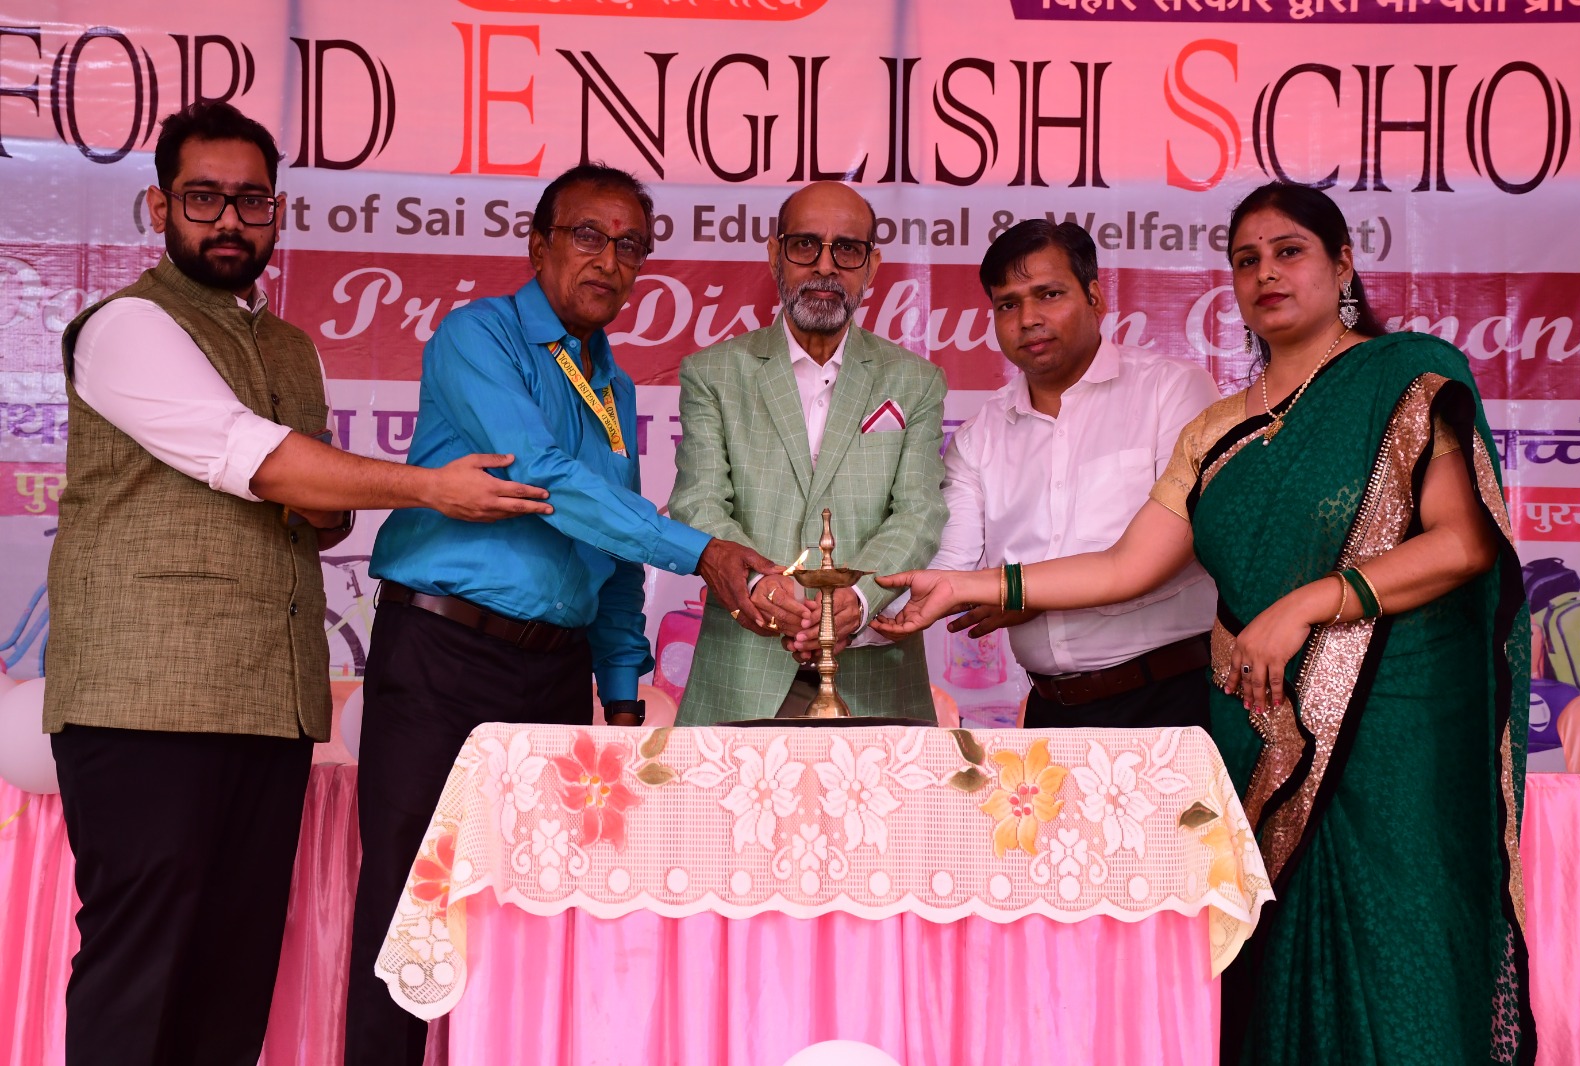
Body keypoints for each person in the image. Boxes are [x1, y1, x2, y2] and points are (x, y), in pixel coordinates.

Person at [875, 181, 1534, 1065]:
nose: (1267, 273)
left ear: (1342, 263)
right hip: (1260, 733)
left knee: (1401, 959)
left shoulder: (1403, 377)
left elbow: (1463, 543)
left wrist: (1304, 605)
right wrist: (964, 585)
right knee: (1262, 974)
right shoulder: (1217, 428)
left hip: (1393, 734)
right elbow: (1126, 565)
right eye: (1246, 259)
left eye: (1289, 251)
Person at [42, 101, 551, 1066]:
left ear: (278, 211)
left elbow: (320, 512)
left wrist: (314, 492)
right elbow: (258, 458)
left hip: (267, 704)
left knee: (232, 982)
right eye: (203, 198)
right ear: (159, 207)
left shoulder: (291, 347)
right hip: (143, 705)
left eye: (252, 201)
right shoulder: (126, 327)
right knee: (140, 971)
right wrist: (427, 487)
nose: (229, 220)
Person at [343, 163, 778, 1066]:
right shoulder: (478, 337)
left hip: (550, 675)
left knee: (530, 909)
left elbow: (611, 544)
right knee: (409, 906)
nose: (609, 261)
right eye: (588, 236)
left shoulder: (613, 387)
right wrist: (701, 551)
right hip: (442, 654)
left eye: (631, 247)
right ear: (538, 244)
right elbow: (542, 477)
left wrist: (619, 690)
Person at [912, 218, 1219, 728]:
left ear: (1095, 298)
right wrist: (845, 603)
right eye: (1007, 304)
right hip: (1050, 710)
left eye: (1049, 294)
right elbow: (951, 568)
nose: (1028, 319)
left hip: (1174, 696)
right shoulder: (978, 436)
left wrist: (1016, 590)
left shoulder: (1173, 392)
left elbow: (1164, 554)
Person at [667, 180, 947, 724]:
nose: (825, 266)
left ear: (871, 266)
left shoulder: (915, 381)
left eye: (847, 249)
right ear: (775, 254)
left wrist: (859, 600)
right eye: (804, 245)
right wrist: (760, 585)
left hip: (875, 675)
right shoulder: (714, 374)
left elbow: (919, 512)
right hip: (743, 673)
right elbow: (698, 501)